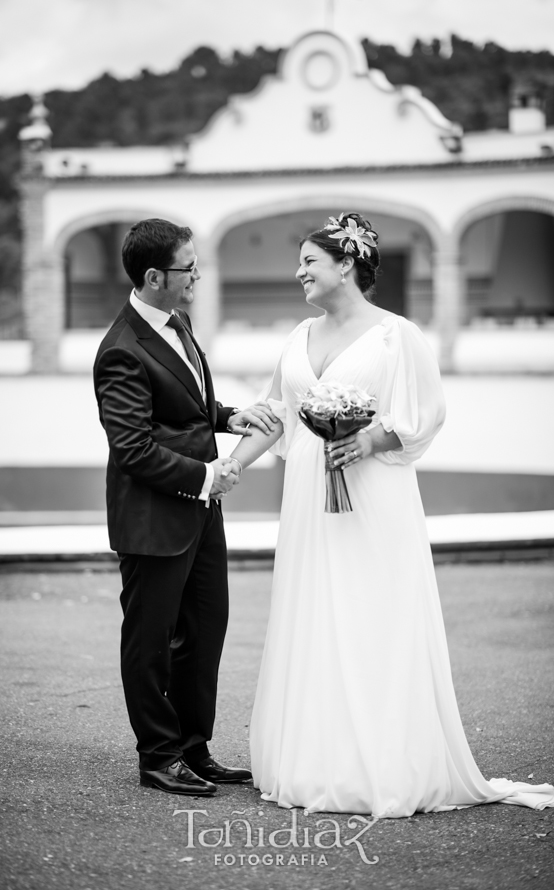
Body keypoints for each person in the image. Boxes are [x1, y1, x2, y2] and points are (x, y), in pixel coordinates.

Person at [229, 212, 554, 817]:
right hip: (307, 498)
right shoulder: (298, 335)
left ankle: (381, 762)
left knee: (371, 612)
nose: (299, 271)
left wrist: (372, 440)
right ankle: (315, 758)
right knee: (315, 611)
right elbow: (274, 411)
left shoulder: (396, 336)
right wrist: (232, 467)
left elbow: (426, 413)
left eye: (309, 261)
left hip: (374, 496)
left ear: (346, 265)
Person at [93, 218, 276, 796]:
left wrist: (228, 417)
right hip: (153, 520)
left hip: (200, 512)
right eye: (188, 266)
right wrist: (208, 474)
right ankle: (158, 756)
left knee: (205, 632)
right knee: (150, 641)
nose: (197, 274)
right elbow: (133, 448)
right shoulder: (119, 351)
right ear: (154, 277)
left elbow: (184, 405)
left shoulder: (179, 321)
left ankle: (195, 749)